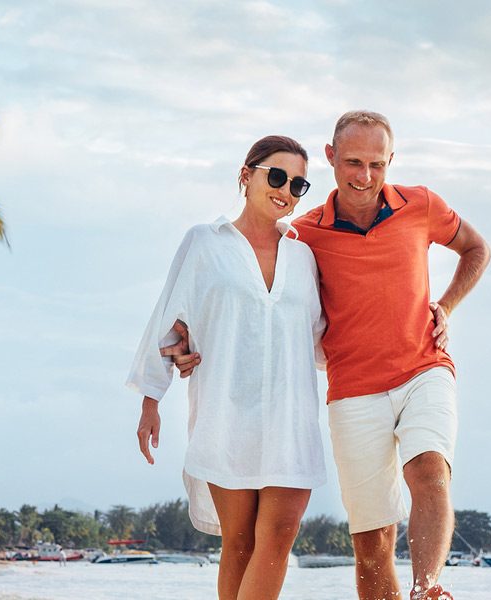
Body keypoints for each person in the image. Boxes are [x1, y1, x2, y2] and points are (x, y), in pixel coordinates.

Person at [165, 110, 491, 600]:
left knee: (429, 469)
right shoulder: (303, 236)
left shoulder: (421, 204)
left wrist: (445, 305)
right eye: (354, 162)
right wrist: (187, 338)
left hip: (425, 367)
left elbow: (476, 249)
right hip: (352, 390)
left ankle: (429, 588)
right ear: (331, 158)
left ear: (391, 161)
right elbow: (251, 291)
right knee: (372, 544)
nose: (366, 176)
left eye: (377, 164)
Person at [129, 135, 325, 600]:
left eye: (299, 184)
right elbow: (167, 323)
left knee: (278, 536)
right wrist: (151, 401)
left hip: (292, 420)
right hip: (226, 415)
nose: (286, 190)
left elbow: (319, 339)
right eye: (277, 176)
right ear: (246, 174)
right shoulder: (204, 242)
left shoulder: (304, 256)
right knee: (238, 543)